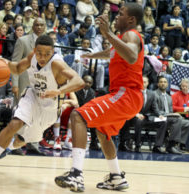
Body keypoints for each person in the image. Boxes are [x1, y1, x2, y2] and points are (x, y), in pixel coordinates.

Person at [55, 3, 144, 191]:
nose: (116, 17)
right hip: (129, 97)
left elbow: (131, 56)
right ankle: (116, 177)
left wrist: (107, 34)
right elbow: (112, 53)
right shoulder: (123, 39)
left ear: (131, 20)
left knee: (78, 116)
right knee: (103, 132)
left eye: (120, 14)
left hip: (125, 94)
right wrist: (90, 55)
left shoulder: (131, 35)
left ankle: (76, 175)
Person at [0, 35, 85, 181]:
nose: (42, 57)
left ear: (53, 52)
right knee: (14, 124)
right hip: (32, 96)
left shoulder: (57, 64)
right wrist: (3, 62)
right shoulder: (32, 57)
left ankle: (8, 148)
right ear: (34, 50)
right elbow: (18, 68)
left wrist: (59, 91)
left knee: (21, 140)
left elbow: (79, 81)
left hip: (49, 109)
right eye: (39, 53)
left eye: (47, 54)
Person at [11, 17, 46, 154]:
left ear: (44, 27)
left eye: (41, 25)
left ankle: (33, 143)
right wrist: (15, 83)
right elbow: (15, 63)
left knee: (37, 115)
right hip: (24, 83)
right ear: (33, 26)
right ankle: (17, 144)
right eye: (36, 24)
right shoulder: (23, 41)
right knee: (20, 114)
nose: (39, 27)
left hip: (41, 84)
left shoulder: (48, 43)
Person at [118, 76, 167, 153]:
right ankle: (137, 145)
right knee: (139, 121)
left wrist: (159, 115)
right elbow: (130, 106)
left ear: (148, 83)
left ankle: (157, 146)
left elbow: (154, 108)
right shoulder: (133, 92)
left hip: (147, 117)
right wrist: (136, 114)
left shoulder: (152, 94)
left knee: (163, 121)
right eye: (141, 81)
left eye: (144, 82)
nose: (143, 83)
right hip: (134, 117)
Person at [155, 76, 189, 154]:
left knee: (188, 123)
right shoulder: (156, 94)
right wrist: (182, 110)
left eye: (186, 86)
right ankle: (171, 145)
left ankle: (178, 144)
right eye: (183, 86)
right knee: (178, 119)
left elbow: (171, 110)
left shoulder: (168, 97)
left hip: (172, 117)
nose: (184, 88)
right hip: (159, 117)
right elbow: (155, 109)